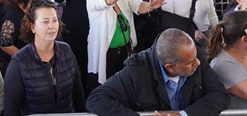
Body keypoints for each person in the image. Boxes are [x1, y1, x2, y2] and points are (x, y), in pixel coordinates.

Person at [87, 27, 230, 116]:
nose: (197, 63)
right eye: (190, 63)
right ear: (170, 67)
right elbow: (96, 99)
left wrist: (183, 115)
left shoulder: (194, 55)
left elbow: (220, 95)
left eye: (196, 57)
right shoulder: (137, 69)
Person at [86, 0, 165, 86]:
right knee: (107, 87)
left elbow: (138, 6)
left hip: (125, 50)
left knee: (125, 85)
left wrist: (150, 6)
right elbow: (108, 0)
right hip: (106, 54)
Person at [3, 0, 86, 115]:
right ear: (32, 27)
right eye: (45, 22)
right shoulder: (19, 61)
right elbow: (11, 110)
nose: (51, 26)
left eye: (55, 20)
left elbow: (78, 95)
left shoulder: (66, 50)